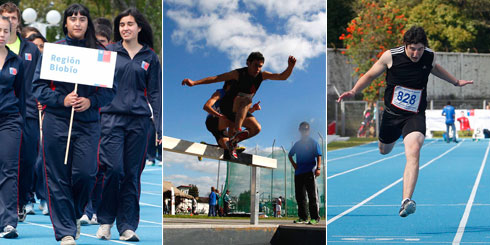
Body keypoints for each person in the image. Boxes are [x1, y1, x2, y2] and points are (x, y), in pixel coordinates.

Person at [338, 26, 473, 217]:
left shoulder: (429, 56)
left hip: (414, 115)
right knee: (384, 150)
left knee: (414, 150)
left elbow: (437, 69)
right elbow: (369, 75)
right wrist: (354, 91)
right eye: (412, 49)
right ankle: (389, 141)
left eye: (419, 49)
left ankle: (406, 201)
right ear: (405, 46)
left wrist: (455, 81)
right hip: (392, 115)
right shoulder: (390, 56)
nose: (416, 53)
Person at [32, 4, 115, 244]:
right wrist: (61, 100)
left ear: (88, 23)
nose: (77, 23)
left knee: (86, 174)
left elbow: (110, 91)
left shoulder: (99, 52)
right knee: (57, 177)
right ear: (66, 23)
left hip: (88, 123)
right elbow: (38, 87)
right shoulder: (53, 51)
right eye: (73, 18)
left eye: (82, 19)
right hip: (57, 121)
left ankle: (76, 213)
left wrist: (91, 101)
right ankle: (65, 231)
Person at [96, 8, 162, 242]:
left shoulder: (150, 57)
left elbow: (155, 93)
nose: (125, 28)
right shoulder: (108, 51)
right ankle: (105, 221)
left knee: (132, 175)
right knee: (114, 170)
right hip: (111, 119)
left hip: (139, 123)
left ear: (139, 27)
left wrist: (159, 126)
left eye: (130, 24)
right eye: (122, 24)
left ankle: (127, 226)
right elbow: (94, 83)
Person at [182, 52, 296, 158]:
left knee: (257, 128)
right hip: (227, 107)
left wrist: (290, 67)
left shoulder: (262, 76)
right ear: (248, 63)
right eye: (255, 65)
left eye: (260, 66)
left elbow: (282, 77)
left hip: (239, 111)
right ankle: (237, 130)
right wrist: (194, 82)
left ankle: (232, 142)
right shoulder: (237, 74)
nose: (258, 69)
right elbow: (216, 78)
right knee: (246, 99)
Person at [0, 2, 42, 220]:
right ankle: (8, 206)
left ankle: (21, 199)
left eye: (13, 18)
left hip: (29, 114)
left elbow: (38, 82)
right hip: (7, 113)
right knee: (6, 162)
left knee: (27, 160)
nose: (9, 21)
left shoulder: (31, 50)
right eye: (5, 17)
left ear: (18, 21)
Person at [0, 15, 25, 239]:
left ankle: (9, 222)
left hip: (9, 120)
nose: (1, 34)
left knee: (9, 169)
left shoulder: (17, 61)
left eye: (5, 30)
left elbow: (22, 95)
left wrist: (23, 121)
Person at [203, 80, 261, 149]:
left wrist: (253, 109)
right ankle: (233, 142)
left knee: (226, 147)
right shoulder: (220, 93)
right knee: (233, 118)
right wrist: (218, 115)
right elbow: (206, 106)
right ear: (228, 86)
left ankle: (228, 144)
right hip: (213, 120)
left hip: (223, 124)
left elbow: (241, 114)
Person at [288, 122, 322, 225]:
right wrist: (294, 165)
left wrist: (318, 168)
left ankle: (315, 218)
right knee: (300, 196)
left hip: (310, 172)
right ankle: (303, 217)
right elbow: (290, 155)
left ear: (309, 130)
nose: (304, 131)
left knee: (312, 196)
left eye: (306, 129)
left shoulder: (313, 142)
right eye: (302, 129)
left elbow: (318, 156)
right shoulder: (297, 144)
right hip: (299, 173)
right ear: (299, 130)